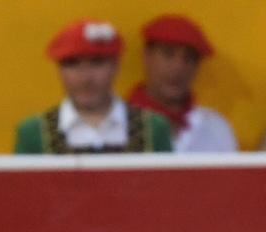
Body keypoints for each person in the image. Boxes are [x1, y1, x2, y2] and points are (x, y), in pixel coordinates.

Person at [14, 20, 173, 154]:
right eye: (73, 64)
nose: (85, 78)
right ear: (60, 71)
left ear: (115, 66)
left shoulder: (154, 128)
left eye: (97, 63)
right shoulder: (34, 133)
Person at [126, 14, 238, 153]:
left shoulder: (216, 128)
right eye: (168, 54)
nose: (178, 67)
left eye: (189, 58)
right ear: (146, 56)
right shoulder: (113, 126)